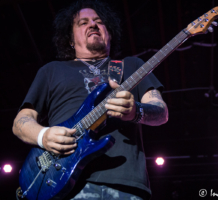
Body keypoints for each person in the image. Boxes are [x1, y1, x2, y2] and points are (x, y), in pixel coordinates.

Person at [12, 1, 168, 199]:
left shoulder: (131, 66)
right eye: (83, 23)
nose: (93, 25)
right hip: (61, 181)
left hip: (125, 182)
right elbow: (20, 122)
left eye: (99, 21)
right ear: (70, 39)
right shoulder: (51, 71)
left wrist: (135, 111)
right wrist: (44, 135)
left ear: (109, 33)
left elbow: (161, 112)